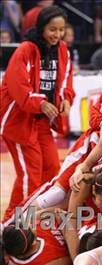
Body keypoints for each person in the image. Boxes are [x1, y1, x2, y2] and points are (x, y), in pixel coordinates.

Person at [0, 6, 75, 218]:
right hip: (19, 120)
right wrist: (41, 103)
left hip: (41, 121)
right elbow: (17, 87)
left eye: (61, 30)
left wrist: (66, 100)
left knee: (52, 169)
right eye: (53, 29)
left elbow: (66, 82)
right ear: (42, 28)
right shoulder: (25, 49)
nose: (58, 35)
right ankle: (12, 224)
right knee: (30, 175)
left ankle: (36, 218)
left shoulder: (62, 50)